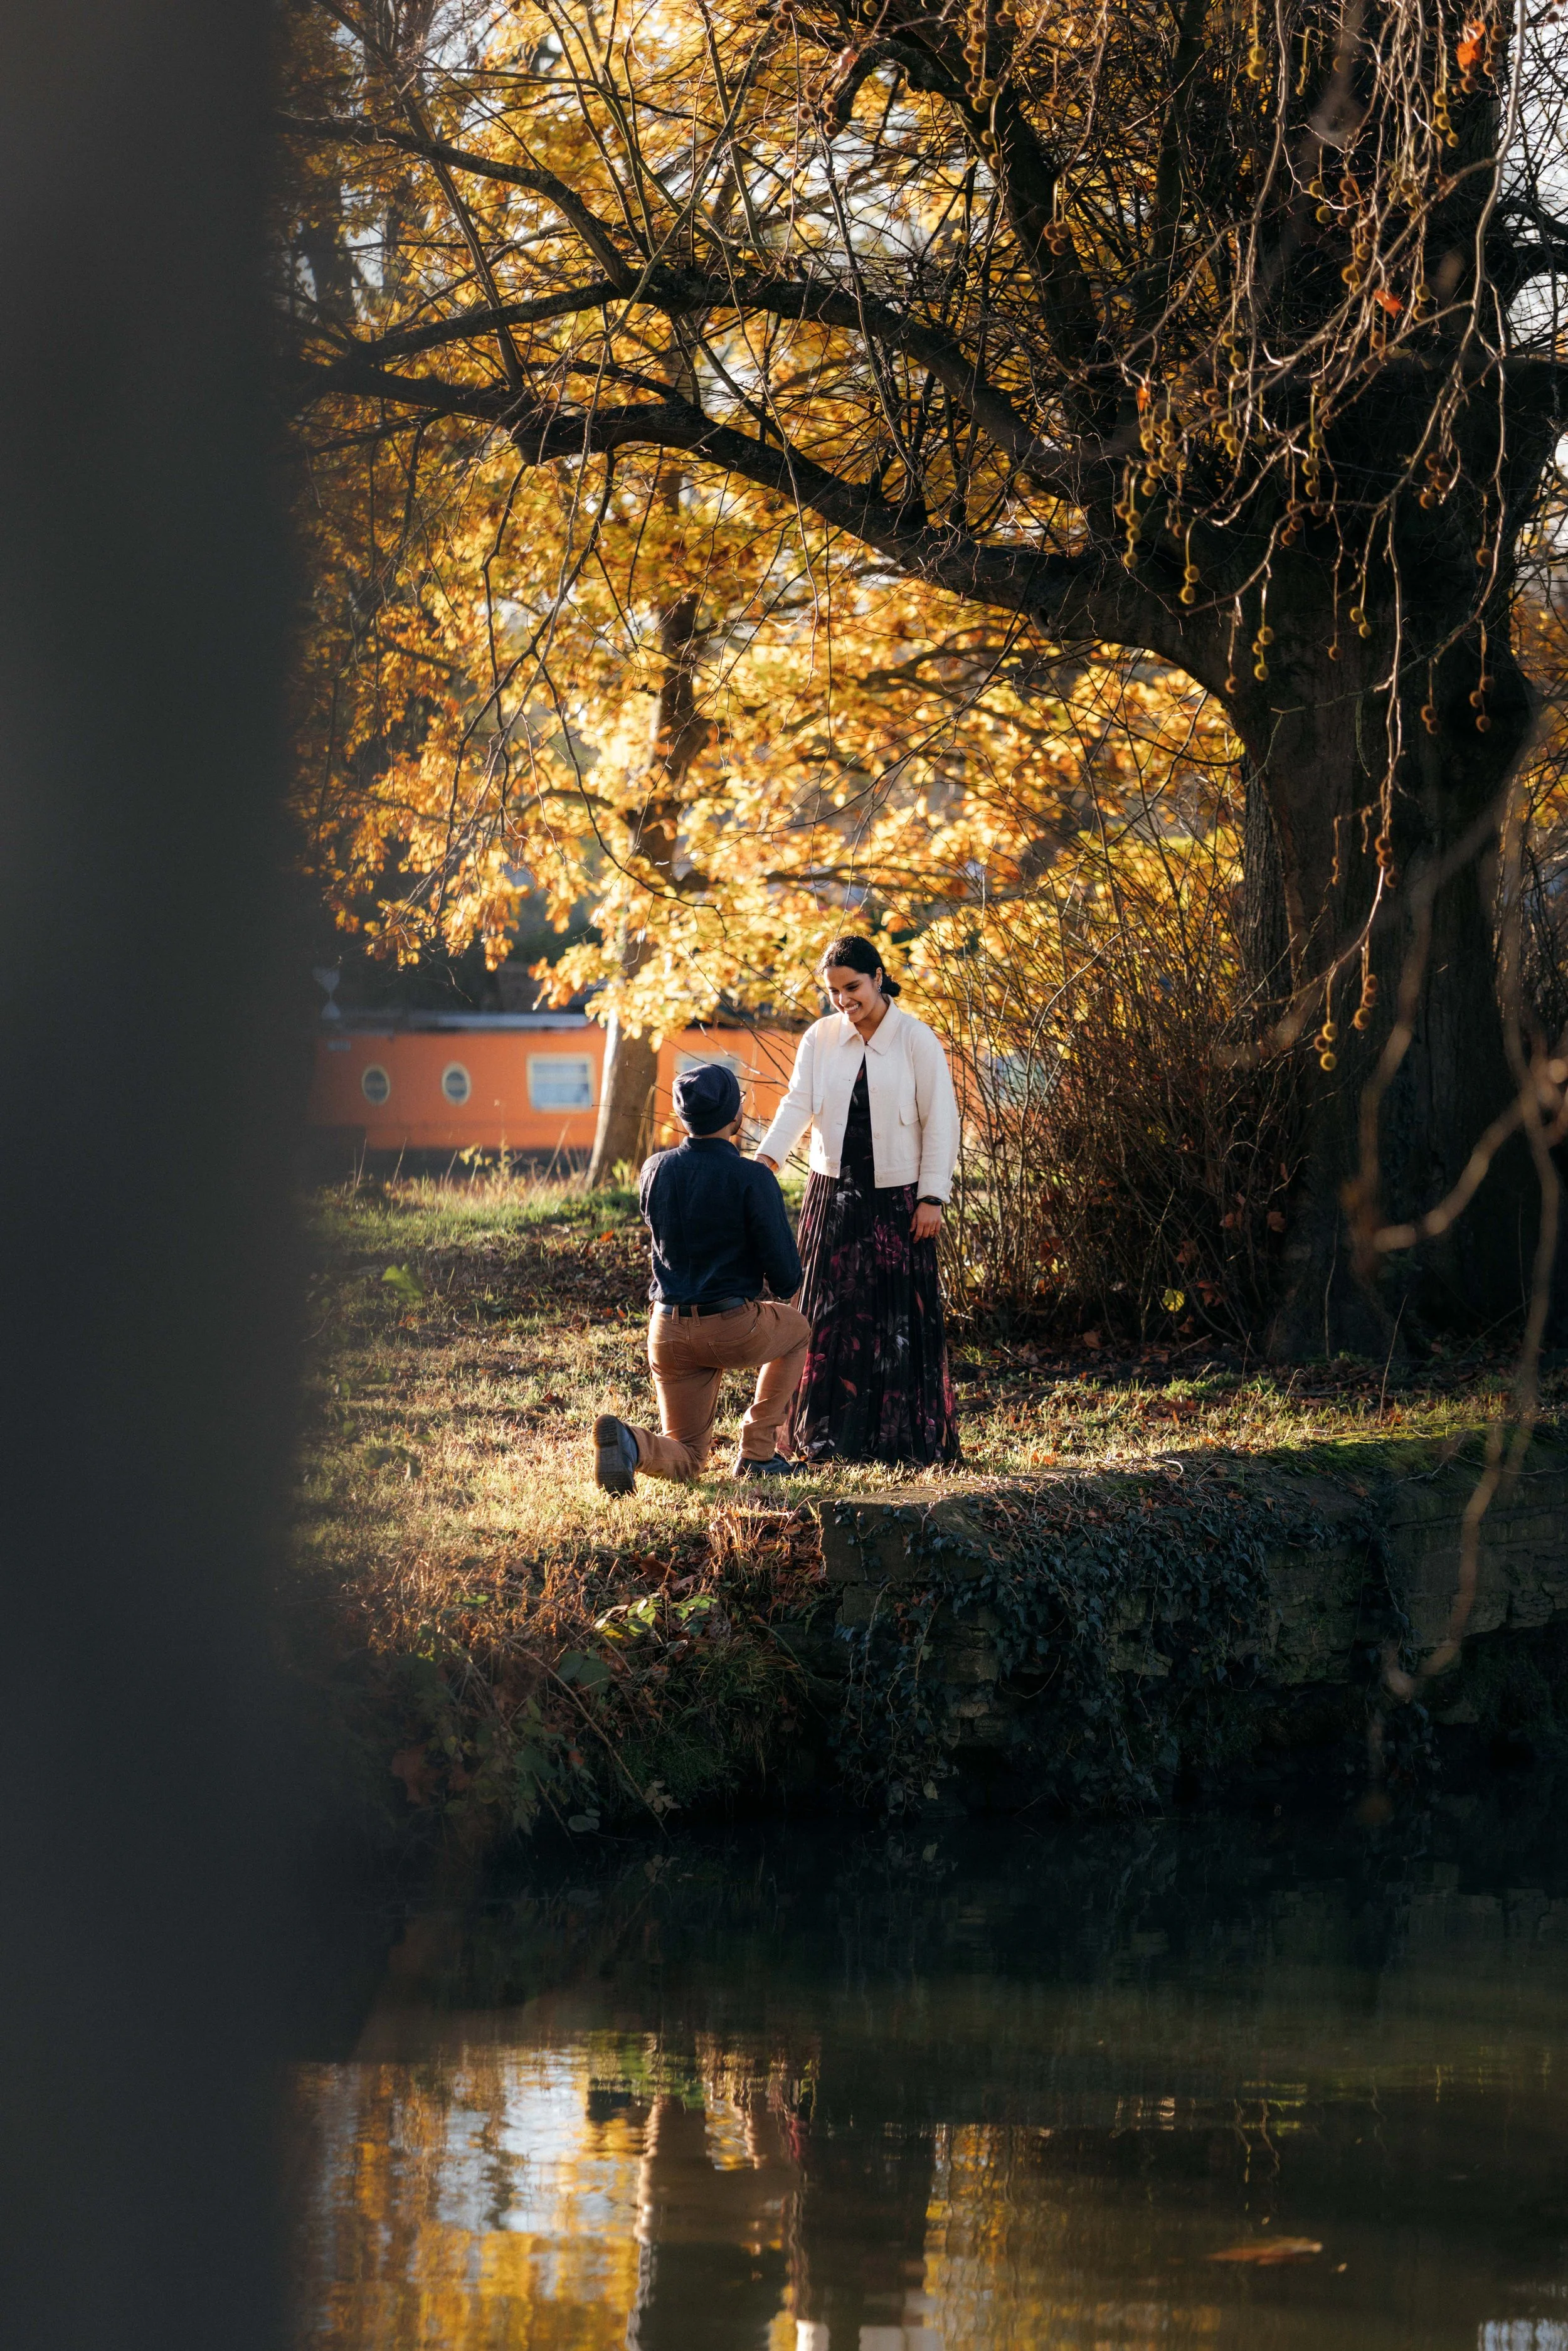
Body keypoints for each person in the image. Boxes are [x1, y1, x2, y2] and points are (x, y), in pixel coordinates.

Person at [755, 937, 961, 1466]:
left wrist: (933, 1196)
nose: (843, 1000)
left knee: (895, 1319)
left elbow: (942, 1120)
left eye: (853, 988)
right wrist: (766, 1163)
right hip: (834, 1193)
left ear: (877, 977)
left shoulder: (916, 1040)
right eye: (833, 992)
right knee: (825, 1314)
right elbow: (798, 1100)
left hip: (901, 1201)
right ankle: (825, 1437)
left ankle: (896, 1440)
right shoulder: (820, 1038)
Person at [593, 1061, 810, 1492]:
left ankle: (631, 1443)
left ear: (680, 1117)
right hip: (733, 1327)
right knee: (799, 1331)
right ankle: (758, 1453)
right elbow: (786, 1278)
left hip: (668, 1330)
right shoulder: (752, 1178)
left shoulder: (654, 1169)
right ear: (737, 1117)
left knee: (689, 1456)